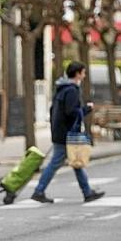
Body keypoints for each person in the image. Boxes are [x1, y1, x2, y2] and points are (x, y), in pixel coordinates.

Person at [30, 61, 105, 203]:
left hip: (61, 132)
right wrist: (86, 109)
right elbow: (71, 112)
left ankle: (87, 192)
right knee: (57, 163)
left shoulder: (62, 88)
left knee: (76, 163)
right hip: (66, 134)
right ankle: (38, 191)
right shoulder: (71, 90)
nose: (84, 75)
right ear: (77, 73)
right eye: (83, 72)